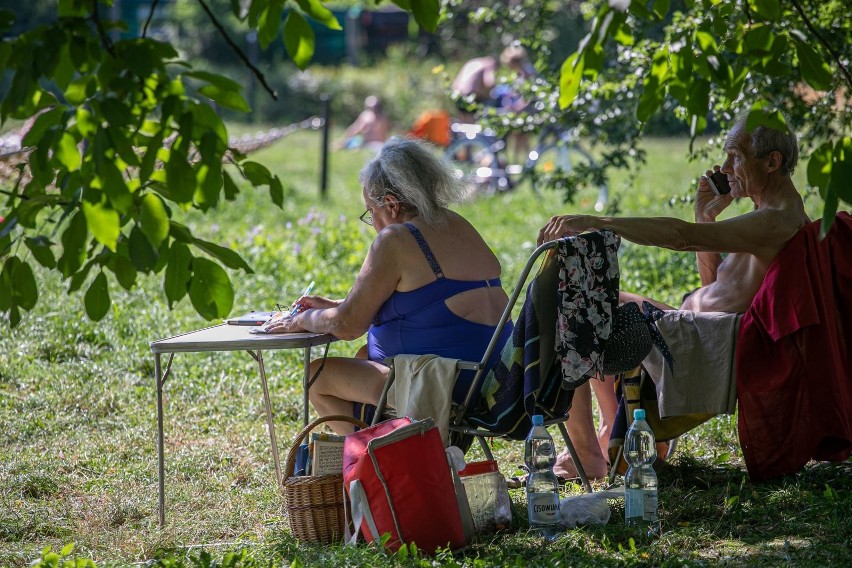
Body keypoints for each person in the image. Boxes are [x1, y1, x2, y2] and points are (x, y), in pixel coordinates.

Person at [537, 114, 811, 480]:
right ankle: (609, 430)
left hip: (703, 339)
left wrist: (599, 222)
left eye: (736, 157)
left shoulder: (776, 222)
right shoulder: (766, 216)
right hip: (694, 326)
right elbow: (715, 287)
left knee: (581, 307)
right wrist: (705, 215)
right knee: (593, 298)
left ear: (772, 162)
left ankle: (589, 450)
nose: (726, 168)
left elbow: (680, 236)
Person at [262, 136, 514, 434]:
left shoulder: (397, 239)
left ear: (392, 204)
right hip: (495, 376)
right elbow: (425, 302)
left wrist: (301, 321)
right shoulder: (458, 225)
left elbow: (347, 326)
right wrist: (334, 306)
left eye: (371, 211)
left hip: (447, 383)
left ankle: (372, 469)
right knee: (361, 358)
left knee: (316, 375)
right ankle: (392, 458)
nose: (373, 221)